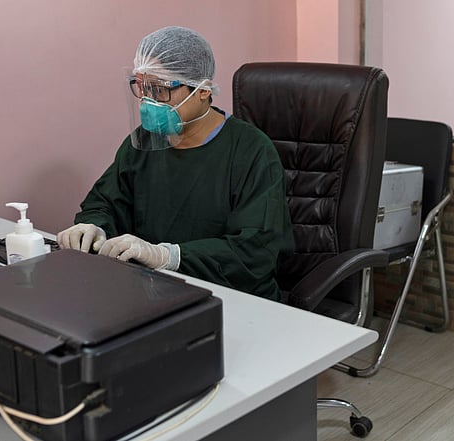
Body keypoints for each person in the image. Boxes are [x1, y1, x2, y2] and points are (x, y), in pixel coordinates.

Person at [57, 26, 294, 301]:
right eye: (142, 87)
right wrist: (93, 227)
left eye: (160, 90)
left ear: (203, 90)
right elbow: (105, 202)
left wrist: (168, 256)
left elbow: (255, 251)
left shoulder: (251, 151)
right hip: (152, 292)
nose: (148, 101)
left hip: (231, 299)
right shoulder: (145, 141)